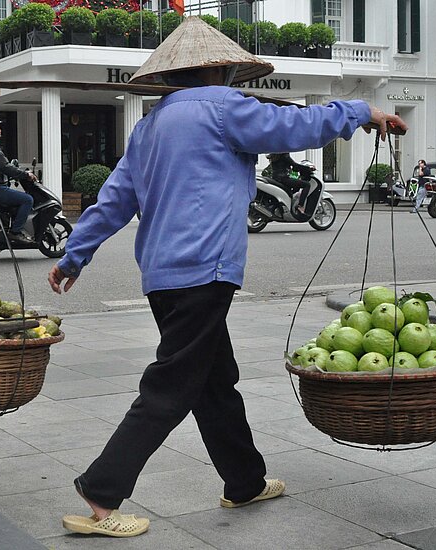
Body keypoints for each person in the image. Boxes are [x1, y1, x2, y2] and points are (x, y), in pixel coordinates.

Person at [47, 17, 407, 538]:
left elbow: (112, 202)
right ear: (219, 67)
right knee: (170, 385)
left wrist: (73, 256)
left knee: (214, 381)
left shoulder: (147, 128)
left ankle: (244, 481)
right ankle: (101, 494)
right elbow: (295, 127)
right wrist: (362, 112)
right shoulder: (224, 108)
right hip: (205, 269)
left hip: (163, 275)